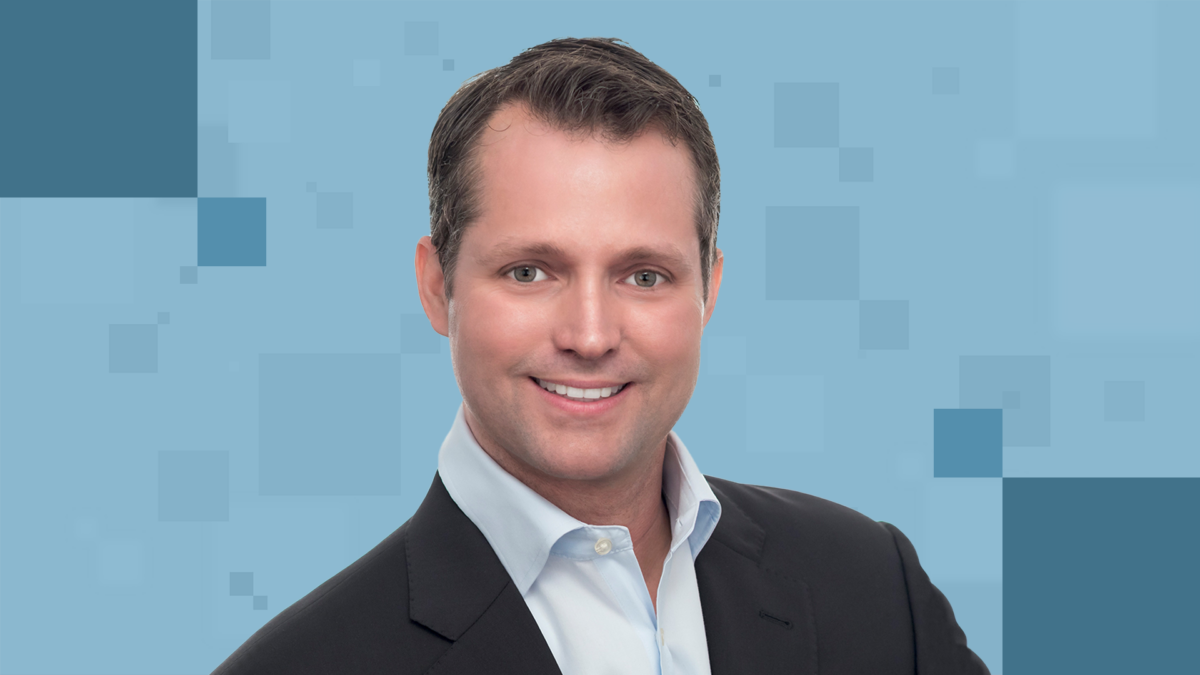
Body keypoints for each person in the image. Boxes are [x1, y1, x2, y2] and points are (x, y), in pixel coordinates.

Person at [211, 37, 990, 674]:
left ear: (707, 291)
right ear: (435, 284)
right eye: (529, 271)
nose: (589, 334)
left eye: (643, 275)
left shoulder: (871, 586)